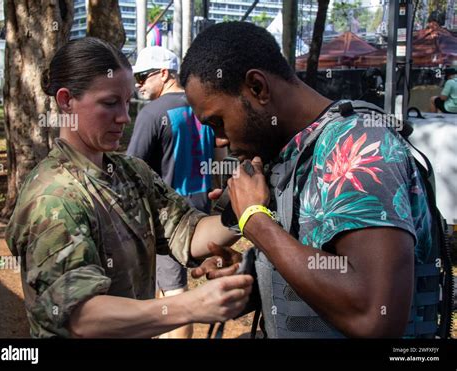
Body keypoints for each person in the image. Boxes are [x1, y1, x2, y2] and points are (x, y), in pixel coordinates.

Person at [179, 22, 439, 338]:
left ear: (258, 87)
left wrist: (256, 222)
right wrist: (253, 274)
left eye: (218, 122)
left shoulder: (358, 147)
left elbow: (375, 316)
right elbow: (325, 269)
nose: (219, 140)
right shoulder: (298, 153)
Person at [5, 37, 253, 338]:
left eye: (126, 102)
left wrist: (240, 209)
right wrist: (191, 306)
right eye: (109, 103)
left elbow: (186, 231)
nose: (124, 117)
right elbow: (82, 316)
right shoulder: (52, 197)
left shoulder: (131, 172)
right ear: (66, 100)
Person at [127, 46, 215, 338]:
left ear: (164, 74)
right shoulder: (203, 106)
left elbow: (130, 168)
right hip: (202, 211)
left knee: (176, 296)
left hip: (169, 219)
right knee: (169, 288)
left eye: (142, 76)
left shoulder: (152, 113)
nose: (138, 84)